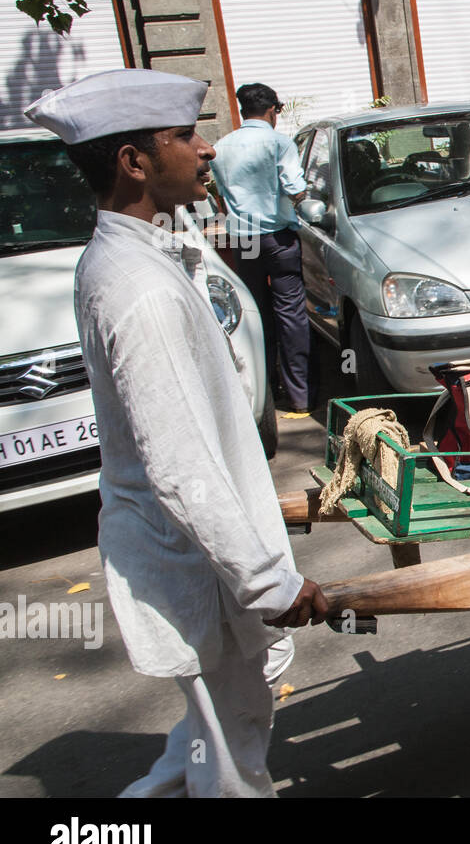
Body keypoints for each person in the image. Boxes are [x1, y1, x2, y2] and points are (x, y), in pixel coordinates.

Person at [26, 69, 329, 797]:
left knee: (211, 737)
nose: (207, 151)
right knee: (231, 760)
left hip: (199, 557)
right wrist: (267, 582)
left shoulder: (146, 251)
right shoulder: (138, 289)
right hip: (195, 563)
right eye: (185, 137)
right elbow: (180, 463)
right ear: (134, 163)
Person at [210, 83, 312, 415]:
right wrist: (302, 198)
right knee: (292, 315)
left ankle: (266, 394)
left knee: (256, 314)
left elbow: (221, 196)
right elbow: (294, 187)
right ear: (272, 111)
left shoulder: (221, 147)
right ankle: (301, 398)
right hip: (278, 239)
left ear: (243, 111)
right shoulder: (279, 143)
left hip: (245, 243)